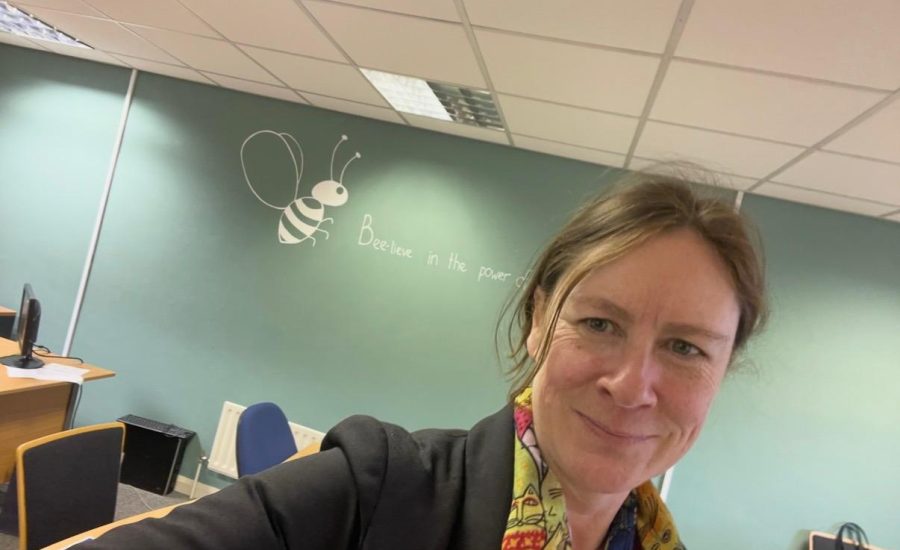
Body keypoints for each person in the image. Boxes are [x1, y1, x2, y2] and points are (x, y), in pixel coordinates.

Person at [76, 171, 766, 549]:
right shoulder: (379, 486)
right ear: (537, 322)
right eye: (599, 323)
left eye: (684, 348)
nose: (630, 385)